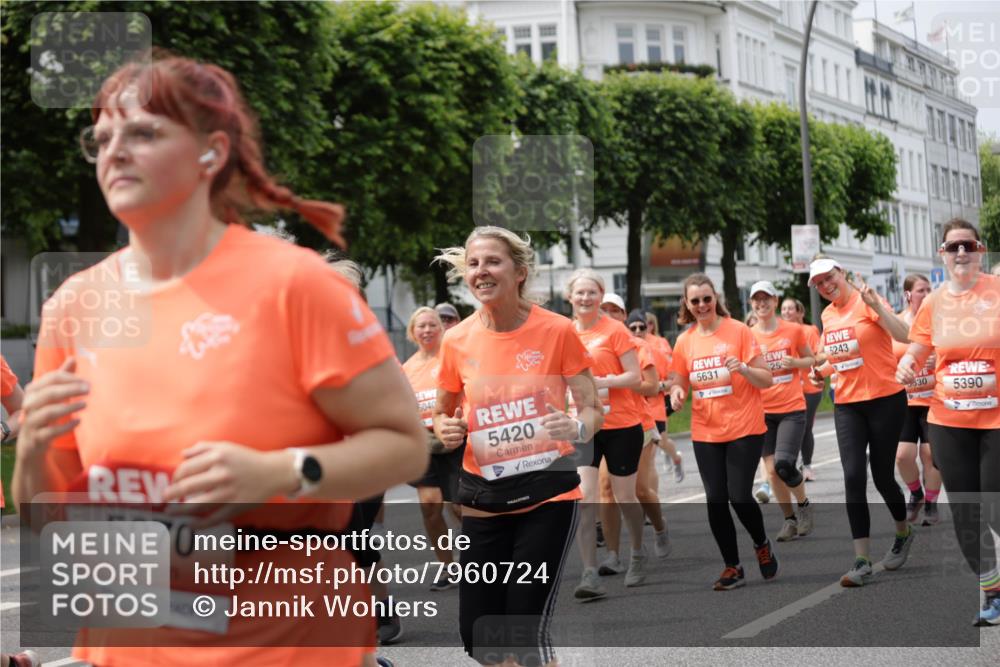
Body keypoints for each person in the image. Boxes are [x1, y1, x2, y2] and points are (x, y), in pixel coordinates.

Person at [12, 53, 427, 667]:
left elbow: (406, 446)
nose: (114, 152)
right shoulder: (74, 304)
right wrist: (32, 451)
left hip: (282, 633)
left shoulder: (297, 285)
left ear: (212, 152)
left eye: (143, 133)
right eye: (101, 139)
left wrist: (282, 471)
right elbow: (48, 517)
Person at [433, 226, 603, 667]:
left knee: (522, 635)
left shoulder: (557, 330)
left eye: (493, 261)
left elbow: (592, 409)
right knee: (479, 639)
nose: (481, 271)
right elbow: (442, 412)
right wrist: (445, 429)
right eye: (473, 263)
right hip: (483, 497)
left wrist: (575, 426)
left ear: (520, 272)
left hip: (546, 495)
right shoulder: (456, 340)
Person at [896, 219, 1000, 626]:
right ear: (941, 253)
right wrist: (907, 364)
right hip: (948, 419)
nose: (960, 252)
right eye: (953, 246)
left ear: (980, 249)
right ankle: (992, 593)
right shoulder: (934, 303)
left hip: (995, 419)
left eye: (967, 245)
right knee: (966, 512)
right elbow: (918, 348)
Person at [664, 274, 778, 590]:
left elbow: (766, 378)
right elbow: (679, 382)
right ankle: (732, 566)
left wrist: (744, 368)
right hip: (706, 431)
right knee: (715, 499)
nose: (702, 305)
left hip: (744, 426)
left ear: (716, 298)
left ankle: (761, 543)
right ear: (687, 304)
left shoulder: (738, 331)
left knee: (739, 496)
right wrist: (677, 394)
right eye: (695, 300)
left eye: (707, 298)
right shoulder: (684, 341)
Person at [807, 258, 914, 588]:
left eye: (830, 278)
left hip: (886, 400)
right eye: (819, 284)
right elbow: (840, 357)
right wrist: (820, 371)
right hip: (848, 404)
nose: (826, 286)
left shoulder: (867, 300)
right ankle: (862, 560)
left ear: (842, 274)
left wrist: (877, 308)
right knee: (853, 476)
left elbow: (905, 334)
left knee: (882, 477)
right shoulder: (828, 315)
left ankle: (903, 532)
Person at [562, 273, 646, 601]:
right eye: (580, 293)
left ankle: (637, 552)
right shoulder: (564, 332)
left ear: (600, 296)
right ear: (570, 297)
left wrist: (602, 382)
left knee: (625, 497)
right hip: (583, 426)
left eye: (592, 293)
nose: (585, 298)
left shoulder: (615, 330)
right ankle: (589, 572)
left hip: (622, 425)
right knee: (585, 498)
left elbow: (635, 376)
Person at [402, 306, 464, 590]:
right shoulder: (407, 368)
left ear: (441, 329)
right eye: (421, 326)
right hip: (424, 445)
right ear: (412, 332)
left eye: (432, 325)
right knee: (429, 506)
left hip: (453, 440)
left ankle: (476, 560)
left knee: (460, 507)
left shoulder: (450, 358)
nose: (427, 330)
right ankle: (447, 567)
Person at [748, 282, 815, 542]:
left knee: (784, 464)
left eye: (766, 298)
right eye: (757, 299)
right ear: (751, 304)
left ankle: (804, 505)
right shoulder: (747, 335)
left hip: (791, 409)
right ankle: (789, 520)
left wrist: (796, 362)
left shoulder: (793, 330)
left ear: (775, 301)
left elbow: (811, 359)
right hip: (762, 412)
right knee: (773, 472)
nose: (761, 303)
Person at [891, 274, 942, 526]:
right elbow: (886, 358)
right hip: (906, 401)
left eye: (929, 289)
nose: (926, 294)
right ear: (908, 294)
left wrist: (937, 358)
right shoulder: (897, 324)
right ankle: (916, 493)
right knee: (902, 456)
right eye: (921, 290)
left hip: (934, 399)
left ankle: (932, 503)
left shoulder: (940, 321)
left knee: (930, 454)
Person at [781, 298, 823, 482]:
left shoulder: (809, 330)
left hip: (809, 387)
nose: (787, 312)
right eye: (784, 309)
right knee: (791, 429)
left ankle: (807, 466)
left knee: (805, 427)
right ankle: (789, 464)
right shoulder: (780, 333)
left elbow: (817, 357)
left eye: (791, 309)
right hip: (788, 388)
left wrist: (797, 362)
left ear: (800, 312)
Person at [644, 312, 683, 482]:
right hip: (640, 404)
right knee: (652, 447)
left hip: (661, 397)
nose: (639, 329)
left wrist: (658, 385)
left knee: (661, 440)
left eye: (646, 324)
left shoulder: (659, 343)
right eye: (633, 327)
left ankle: (675, 457)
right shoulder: (629, 344)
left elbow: (671, 371)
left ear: (652, 325)